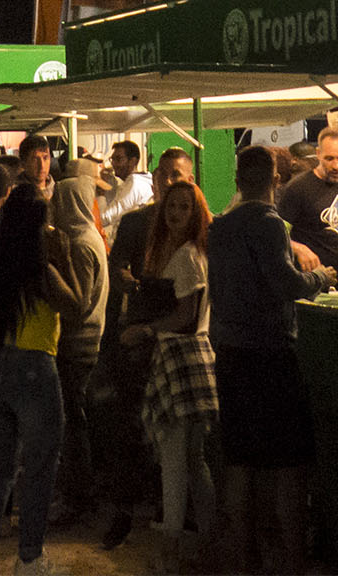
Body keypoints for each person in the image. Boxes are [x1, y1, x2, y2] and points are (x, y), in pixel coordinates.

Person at [209, 145, 335, 574]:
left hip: (228, 354)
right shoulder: (268, 224)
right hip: (268, 357)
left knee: (240, 461)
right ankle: (292, 563)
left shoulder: (220, 226)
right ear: (274, 181)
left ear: (238, 179)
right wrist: (320, 277)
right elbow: (285, 284)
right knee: (287, 463)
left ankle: (243, 559)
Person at [0, 186, 83, 576]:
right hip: (35, 369)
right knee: (39, 468)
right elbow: (76, 305)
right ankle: (29, 558)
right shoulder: (38, 266)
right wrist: (63, 258)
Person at [95, 146, 196, 549]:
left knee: (174, 431)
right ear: (154, 179)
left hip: (179, 339)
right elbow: (116, 267)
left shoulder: (196, 227)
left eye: (179, 176)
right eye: (166, 175)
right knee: (131, 424)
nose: (171, 183)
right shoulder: (136, 222)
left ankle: (169, 506)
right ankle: (126, 505)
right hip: (138, 337)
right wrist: (132, 283)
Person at [119, 180, 218, 570]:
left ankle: (171, 551)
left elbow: (186, 316)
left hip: (183, 356)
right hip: (191, 357)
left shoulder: (188, 256)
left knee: (176, 460)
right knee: (192, 460)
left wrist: (145, 329)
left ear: (197, 214)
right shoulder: (186, 253)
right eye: (171, 207)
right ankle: (210, 543)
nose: (176, 213)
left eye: (184, 208)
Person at [48, 159, 110, 527]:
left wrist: (52, 272)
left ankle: (78, 497)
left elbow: (79, 303)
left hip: (78, 346)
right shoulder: (89, 237)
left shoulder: (81, 243)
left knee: (74, 426)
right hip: (88, 345)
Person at [278, 125, 338, 293]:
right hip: (313, 288)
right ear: (318, 154)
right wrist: (299, 248)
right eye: (329, 158)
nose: (336, 166)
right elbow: (276, 236)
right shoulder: (298, 188)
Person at [99, 140, 154, 237]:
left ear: (133, 161)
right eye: (112, 159)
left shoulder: (134, 183)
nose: (114, 164)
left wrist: (100, 192)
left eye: (119, 159)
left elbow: (105, 218)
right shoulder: (143, 181)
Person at [18, 134, 56, 200]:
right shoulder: (15, 194)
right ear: (23, 163)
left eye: (45, 158)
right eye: (35, 159)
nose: (42, 165)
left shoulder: (59, 191)